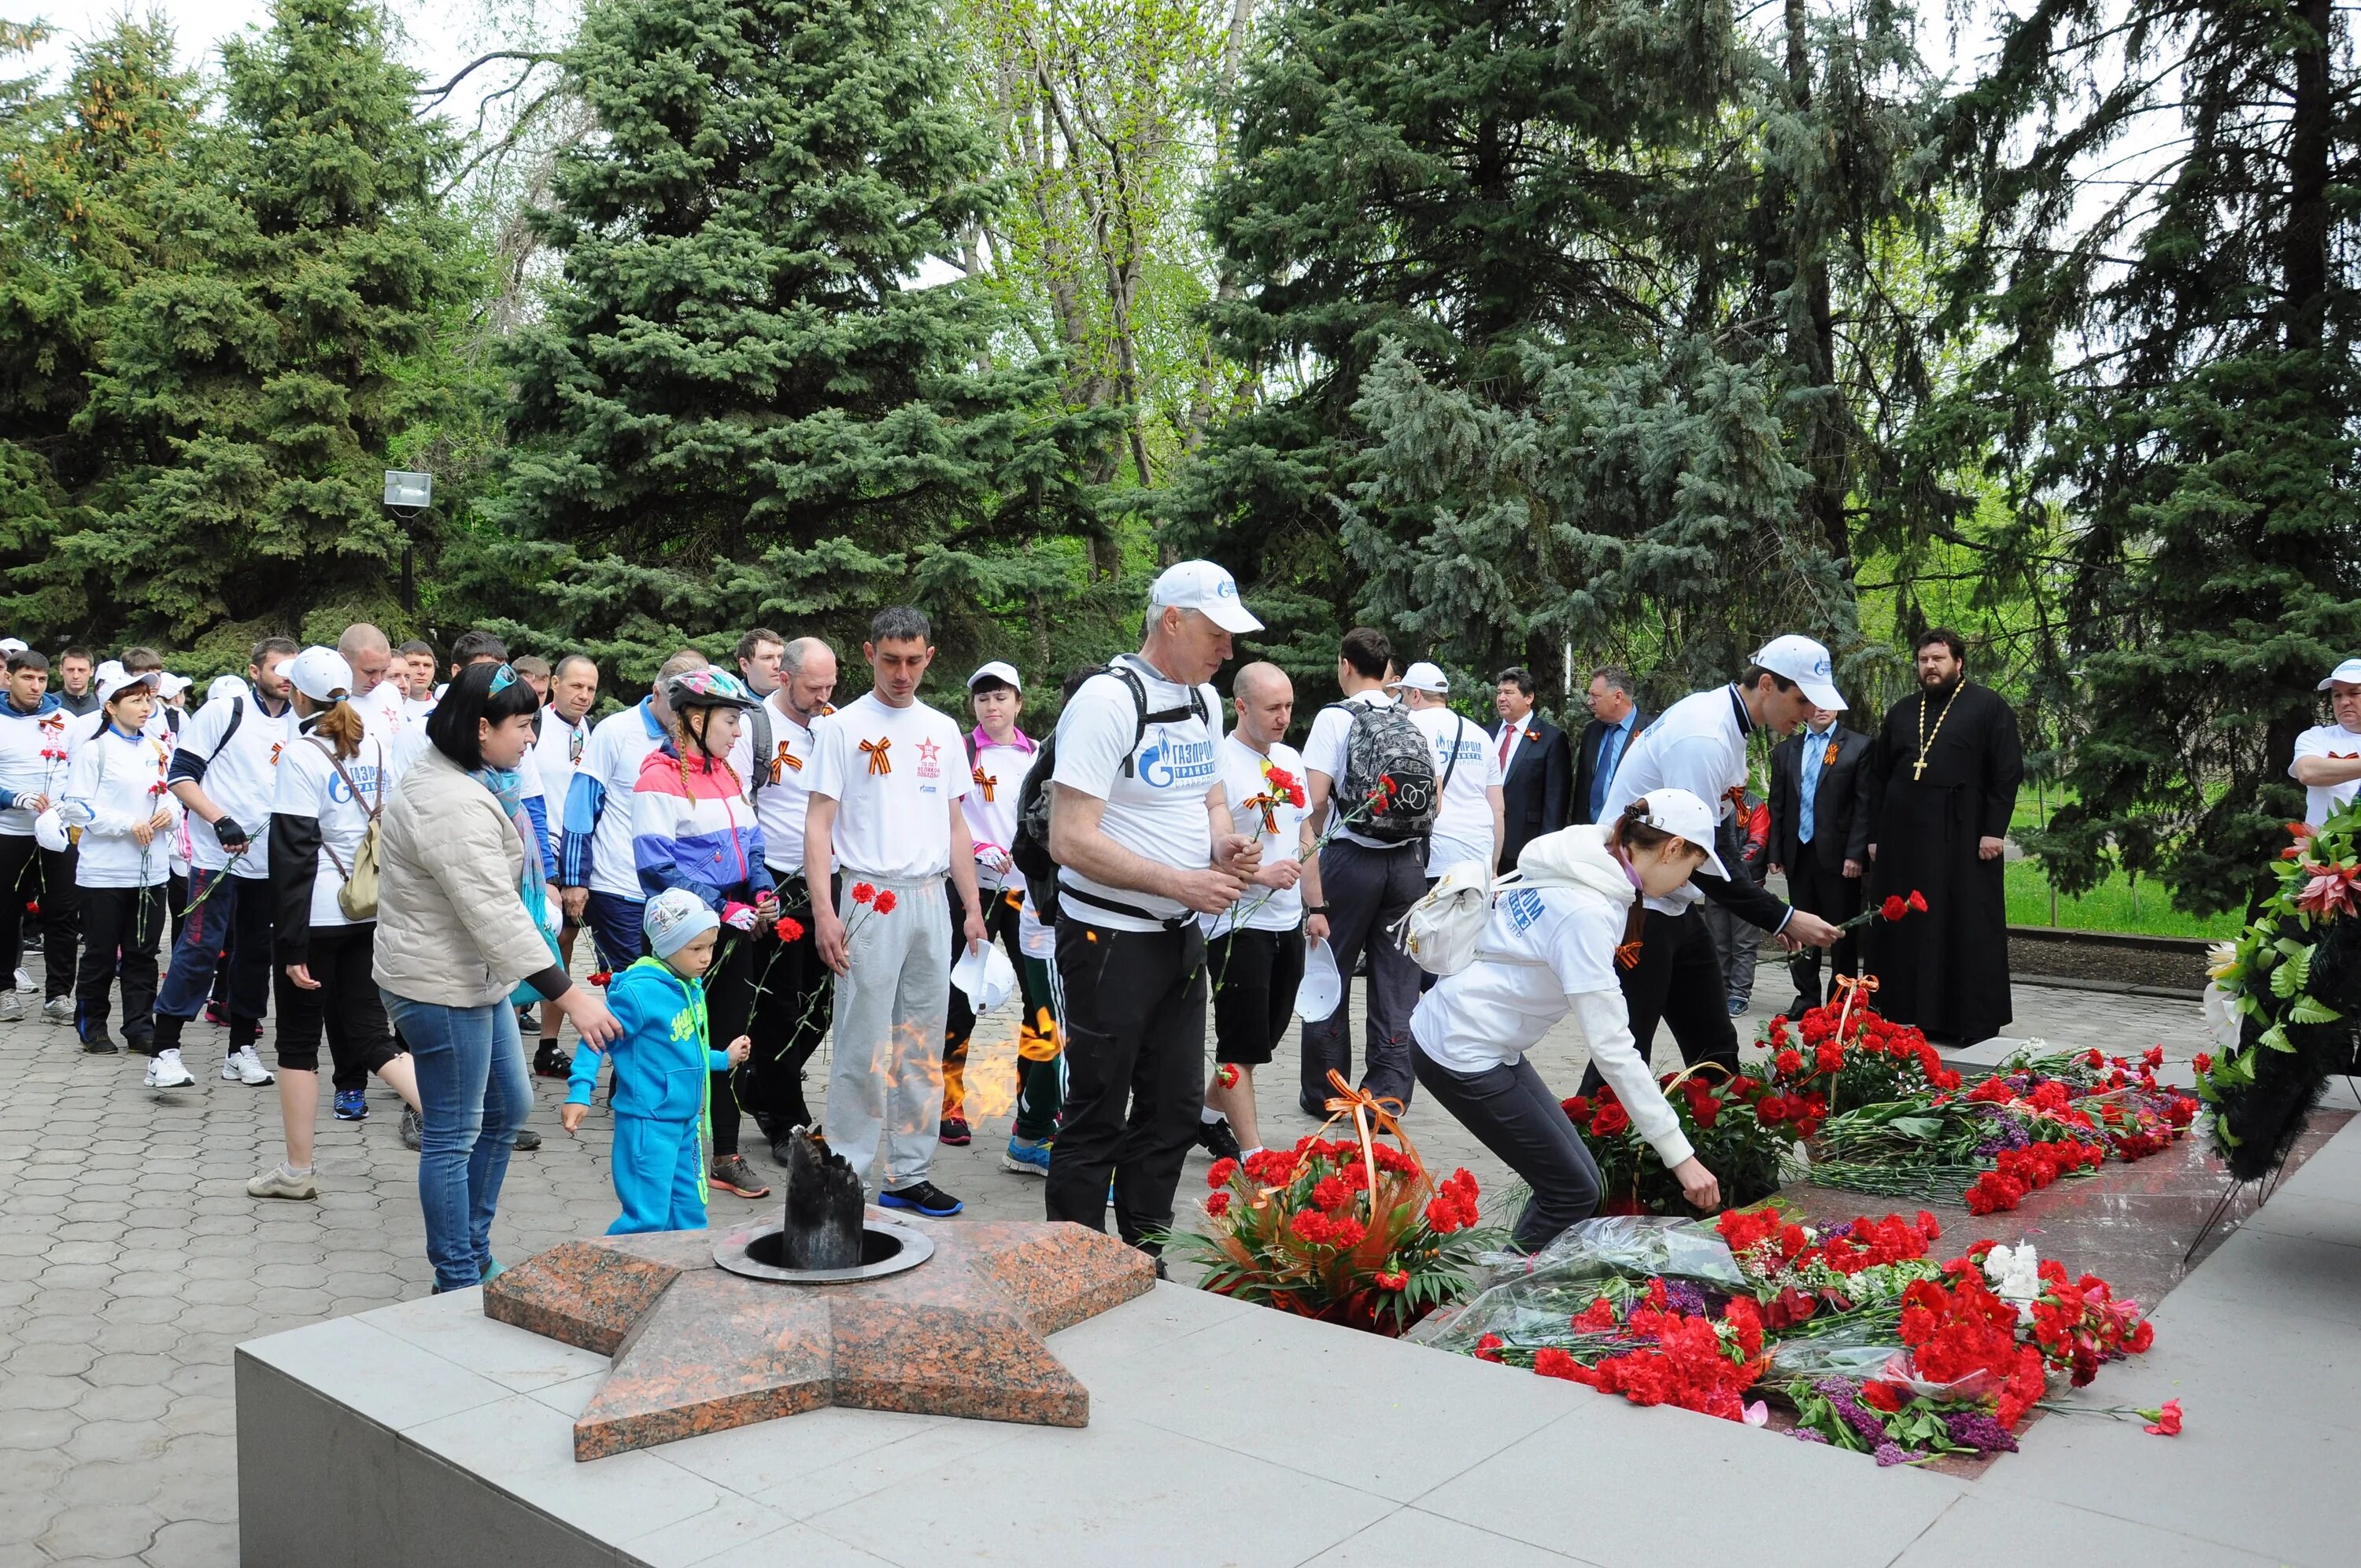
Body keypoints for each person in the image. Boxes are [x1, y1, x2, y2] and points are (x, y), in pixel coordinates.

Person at [375, 661, 620, 1294]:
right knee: (454, 1133)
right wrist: (572, 996)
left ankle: (472, 1249)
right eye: (523, 724)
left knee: (508, 1104)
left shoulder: (468, 776)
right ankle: (456, 1277)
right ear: (481, 728)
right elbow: (492, 913)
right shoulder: (447, 799)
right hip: (437, 987)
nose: (531, 737)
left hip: (471, 976)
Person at [1045, 561, 1262, 1256]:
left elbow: (1208, 795)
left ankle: (1144, 1255)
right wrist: (1181, 882)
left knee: (1172, 1108)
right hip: (1106, 938)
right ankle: (1077, 1266)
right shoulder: (1108, 701)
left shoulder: (1204, 701)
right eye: (1218, 634)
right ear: (1172, 620)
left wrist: (1224, 842)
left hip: (1178, 937)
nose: (1228, 650)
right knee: (1097, 1110)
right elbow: (1069, 838)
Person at [1410, 795, 1727, 1251]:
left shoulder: (1582, 860)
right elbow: (1614, 1048)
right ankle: (1499, 1304)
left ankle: (1515, 1282)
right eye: (1691, 868)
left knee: (1579, 1182)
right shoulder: (1588, 911)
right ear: (1672, 848)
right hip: (1460, 1050)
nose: (1689, 884)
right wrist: (1682, 1157)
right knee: (1572, 1189)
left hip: (1481, 1040)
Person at [1582, 636, 1847, 1093]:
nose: (1807, 713)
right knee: (1625, 1054)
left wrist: (1771, 913)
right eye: (1801, 699)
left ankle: (1725, 1156)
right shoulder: (1705, 737)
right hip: (1636, 907)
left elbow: (1718, 834)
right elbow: (1696, 855)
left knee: (1715, 1046)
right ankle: (1582, 1158)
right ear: (1767, 684)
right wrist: (1782, 915)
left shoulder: (1730, 726)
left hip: (1672, 902)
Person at [805, 607, 985, 1218]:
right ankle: (847, 1173)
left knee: (921, 1044)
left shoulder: (941, 727)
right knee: (862, 1041)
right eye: (890, 660)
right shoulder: (843, 726)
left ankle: (909, 1172)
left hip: (930, 894)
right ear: (868, 654)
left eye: (913, 660)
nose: (902, 673)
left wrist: (972, 908)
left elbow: (956, 824)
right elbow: (819, 821)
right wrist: (824, 909)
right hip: (867, 894)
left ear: (929, 656)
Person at [246, 647, 422, 1199]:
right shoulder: (372, 740)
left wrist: (291, 943)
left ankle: (298, 1172)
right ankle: (457, 1113)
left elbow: (293, 853)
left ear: (298, 694)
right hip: (368, 908)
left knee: (298, 1043)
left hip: (316, 915)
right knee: (370, 1031)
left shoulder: (301, 753)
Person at [630, 666, 775, 1201]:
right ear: (696, 717)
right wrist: (719, 907)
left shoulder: (727, 774)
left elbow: (752, 844)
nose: (739, 731)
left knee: (732, 1040)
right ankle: (663, 1150)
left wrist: (760, 892)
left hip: (734, 923)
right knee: (676, 1041)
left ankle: (726, 1155)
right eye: (732, 720)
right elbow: (656, 865)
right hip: (685, 930)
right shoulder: (657, 776)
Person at [1864, 629, 2025, 1046]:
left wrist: (1994, 830)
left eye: (1938, 659)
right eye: (1923, 660)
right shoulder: (1902, 711)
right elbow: (1879, 777)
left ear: (1958, 662)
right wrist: (1876, 835)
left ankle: (1962, 1019)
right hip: (1904, 839)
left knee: (1960, 921)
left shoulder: (1988, 706)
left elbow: (2006, 773)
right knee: (1908, 923)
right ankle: (1901, 1013)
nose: (1930, 666)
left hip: (1963, 834)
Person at [152, 637, 300, 1088]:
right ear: (255, 672)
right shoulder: (224, 713)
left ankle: (241, 1050)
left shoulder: (304, 722)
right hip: (218, 859)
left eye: (294, 669)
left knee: (256, 956)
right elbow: (179, 776)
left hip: (271, 863)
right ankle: (164, 1052)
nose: (287, 678)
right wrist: (220, 820)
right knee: (199, 950)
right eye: (278, 668)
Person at [560, 889, 752, 1234]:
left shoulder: (688, 985)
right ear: (665, 945)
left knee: (691, 1210)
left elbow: (680, 1050)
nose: (706, 958)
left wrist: (723, 1059)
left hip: (686, 1122)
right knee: (647, 1217)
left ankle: (689, 1273)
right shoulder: (638, 993)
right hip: (648, 1122)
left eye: (711, 946)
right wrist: (580, 1091)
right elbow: (595, 1038)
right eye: (696, 949)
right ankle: (615, 1276)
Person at [1299, 626, 1426, 1113]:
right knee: (1397, 980)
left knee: (1329, 971)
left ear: (1345, 665)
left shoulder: (1336, 717)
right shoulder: (1405, 716)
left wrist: (1308, 842)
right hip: (1407, 863)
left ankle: (1328, 1093)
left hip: (1351, 859)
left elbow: (1313, 798)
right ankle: (1389, 1092)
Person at [727, 636, 837, 1161]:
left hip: (829, 878)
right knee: (780, 1004)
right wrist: (756, 888)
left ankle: (759, 1086)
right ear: (785, 677)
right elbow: (738, 802)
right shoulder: (756, 726)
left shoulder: (833, 725)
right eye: (814, 687)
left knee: (823, 1006)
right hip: (775, 879)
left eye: (831, 685)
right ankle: (785, 1118)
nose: (823, 696)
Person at [1203, 661, 1315, 1164]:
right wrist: (1258, 876)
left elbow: (1305, 834)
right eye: (1273, 708)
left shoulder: (1290, 758)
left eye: (1288, 706)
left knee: (1262, 1040)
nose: (1283, 717)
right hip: (1235, 924)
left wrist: (1318, 905)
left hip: (1288, 921)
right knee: (1239, 1043)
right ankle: (1253, 1152)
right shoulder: (1218, 762)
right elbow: (1202, 850)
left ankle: (1202, 1119)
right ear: (1241, 705)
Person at [937, 659, 1051, 1151]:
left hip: (1029, 892)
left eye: (1001, 696)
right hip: (974, 891)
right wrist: (979, 848)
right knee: (961, 998)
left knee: (1038, 995)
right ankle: (949, 1103)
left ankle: (1035, 1103)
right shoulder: (961, 751)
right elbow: (946, 816)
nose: (991, 705)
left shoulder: (1039, 753)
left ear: (1019, 702)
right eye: (983, 698)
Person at [560, 649, 708, 981]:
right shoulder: (616, 731)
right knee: (631, 986)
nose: (687, 714)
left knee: (672, 987)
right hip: (619, 889)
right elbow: (580, 807)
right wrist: (574, 880)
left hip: (674, 891)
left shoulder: (698, 738)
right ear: (657, 693)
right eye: (679, 705)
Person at [61, 669, 179, 1063]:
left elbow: (171, 796)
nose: (145, 707)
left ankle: (140, 1027)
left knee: (143, 953)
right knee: (99, 952)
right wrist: (125, 824)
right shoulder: (95, 751)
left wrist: (168, 814)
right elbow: (77, 805)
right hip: (105, 873)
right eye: (135, 700)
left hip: (150, 872)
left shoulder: (157, 747)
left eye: (149, 699)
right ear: (110, 707)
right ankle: (92, 1025)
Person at [1768, 706, 1874, 1014]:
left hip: (1840, 857)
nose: (1821, 709)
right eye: (1813, 703)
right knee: (1799, 927)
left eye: (1828, 702)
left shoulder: (1858, 746)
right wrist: (1776, 853)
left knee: (1840, 930)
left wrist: (1856, 853)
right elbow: (1778, 805)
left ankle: (1841, 1000)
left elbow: (1863, 805)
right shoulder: (1787, 750)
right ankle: (1806, 998)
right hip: (1799, 854)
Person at [529, 653, 599, 1076]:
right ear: (554, 683)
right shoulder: (535, 725)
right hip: (541, 855)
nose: (584, 695)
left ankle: (548, 1045)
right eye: (576, 686)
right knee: (548, 945)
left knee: (565, 946)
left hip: (579, 856)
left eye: (591, 688)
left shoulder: (589, 729)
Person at [0, 649, 73, 1024]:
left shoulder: (65, 719)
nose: (36, 686)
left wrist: (69, 804)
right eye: (28, 678)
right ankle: (3, 990)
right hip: (9, 832)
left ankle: (59, 994)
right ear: (9, 677)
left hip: (56, 833)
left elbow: (81, 770)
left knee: (61, 913)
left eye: (42, 679)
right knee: (6, 912)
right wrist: (13, 797)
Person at [1395, 661, 1506, 880]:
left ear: (1415, 695)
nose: (1401, 701)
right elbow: (1497, 808)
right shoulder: (1480, 734)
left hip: (1432, 856)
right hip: (1479, 856)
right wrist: (1493, 868)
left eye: (1403, 695)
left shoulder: (1407, 727)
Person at [1698, 789, 1772, 1014]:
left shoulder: (1755, 806)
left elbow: (1758, 843)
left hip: (1746, 884)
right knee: (1716, 939)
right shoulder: (1710, 803)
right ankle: (1719, 988)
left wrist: (1730, 868)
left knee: (1743, 942)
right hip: (1716, 884)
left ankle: (1740, 992)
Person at [1494, 666, 1573, 869]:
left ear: (1529, 698)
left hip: (1526, 843)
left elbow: (1555, 801)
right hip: (1486, 841)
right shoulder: (1487, 733)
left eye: (1509, 693)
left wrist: (1546, 849)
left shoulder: (1551, 738)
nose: (1501, 698)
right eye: (1499, 693)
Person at [1572, 666, 1650, 826]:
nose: (1590, 702)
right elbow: (1583, 786)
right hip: (1589, 833)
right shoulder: (1592, 731)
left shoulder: (1650, 732)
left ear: (1618, 697)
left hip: (1631, 832)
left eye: (1596, 696)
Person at [2291, 658, 2361, 828]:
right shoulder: (2316, 737)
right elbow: (2307, 772)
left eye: (2354, 693)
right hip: (2327, 851)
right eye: (2337, 695)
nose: (2344, 702)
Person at [337, 623, 405, 741]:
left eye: (384, 671)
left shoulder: (390, 692)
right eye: (369, 671)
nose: (378, 680)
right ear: (343, 660)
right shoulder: (319, 700)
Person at [737, 628, 784, 702]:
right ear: (745, 665)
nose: (778, 666)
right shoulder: (732, 706)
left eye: (781, 657)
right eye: (767, 658)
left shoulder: (800, 699)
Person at [397, 640, 437, 720]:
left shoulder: (443, 711)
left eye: (427, 666)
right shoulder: (386, 706)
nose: (422, 671)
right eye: (414, 665)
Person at [54, 646, 98, 718]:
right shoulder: (50, 704)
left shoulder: (101, 705)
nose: (76, 676)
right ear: (61, 670)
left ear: (92, 671)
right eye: (70, 670)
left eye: (81, 670)